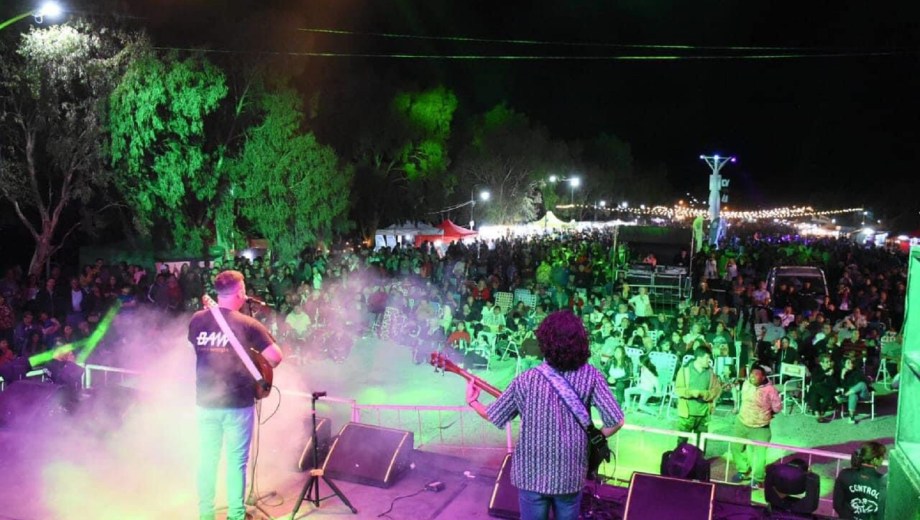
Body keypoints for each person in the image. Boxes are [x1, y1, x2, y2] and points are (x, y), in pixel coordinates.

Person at [465, 311, 625, 520]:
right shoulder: (591, 376)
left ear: (545, 342)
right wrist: (592, 440)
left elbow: (495, 414)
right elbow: (616, 420)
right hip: (570, 473)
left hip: (531, 474)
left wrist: (473, 401)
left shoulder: (527, 379)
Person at [188, 270, 283, 520]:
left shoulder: (197, 319)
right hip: (237, 404)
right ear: (240, 292)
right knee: (235, 462)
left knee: (207, 460)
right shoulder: (248, 324)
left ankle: (205, 514)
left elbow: (197, 348)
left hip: (205, 402)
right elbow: (275, 358)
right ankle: (236, 515)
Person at [731, 366, 783, 487]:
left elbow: (778, 407)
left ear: (763, 377)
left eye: (756, 374)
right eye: (751, 374)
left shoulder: (770, 390)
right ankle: (743, 470)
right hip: (742, 422)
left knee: (760, 454)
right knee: (736, 447)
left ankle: (758, 478)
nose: (752, 376)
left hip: (761, 427)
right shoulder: (746, 384)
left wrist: (768, 413)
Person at [675, 346, 722, 444]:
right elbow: (678, 390)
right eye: (707, 358)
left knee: (701, 443)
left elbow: (717, 390)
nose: (709, 361)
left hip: (704, 414)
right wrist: (691, 393)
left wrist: (704, 394)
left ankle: (698, 459)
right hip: (687, 415)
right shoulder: (685, 371)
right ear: (699, 358)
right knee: (681, 443)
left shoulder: (710, 373)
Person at [833, 441, 887, 519]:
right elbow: (883, 512)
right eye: (882, 456)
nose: (883, 459)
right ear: (875, 460)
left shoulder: (844, 474)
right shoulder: (883, 482)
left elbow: (837, 505)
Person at [836, 356, 872, 424]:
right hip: (852, 394)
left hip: (863, 394)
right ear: (843, 365)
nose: (851, 364)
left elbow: (866, 383)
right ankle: (851, 417)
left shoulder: (857, 371)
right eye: (848, 363)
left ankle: (843, 396)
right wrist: (842, 376)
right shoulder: (842, 373)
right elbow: (842, 387)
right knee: (853, 395)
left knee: (862, 384)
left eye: (851, 362)